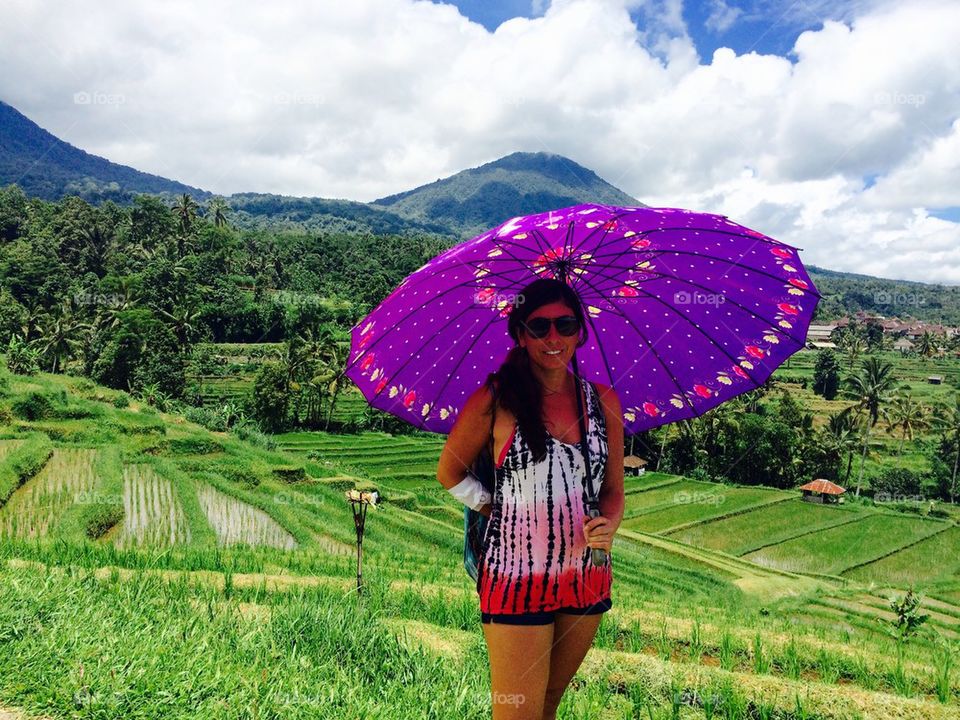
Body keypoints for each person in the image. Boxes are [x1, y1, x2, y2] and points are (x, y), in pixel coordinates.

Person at [437, 278, 625, 720]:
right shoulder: (495, 399)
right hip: (516, 579)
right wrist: (495, 508)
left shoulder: (602, 401)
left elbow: (613, 491)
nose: (553, 338)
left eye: (565, 324)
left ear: (581, 331)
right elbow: (449, 472)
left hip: (586, 576)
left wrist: (611, 523)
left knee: (547, 707)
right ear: (521, 334)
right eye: (539, 327)